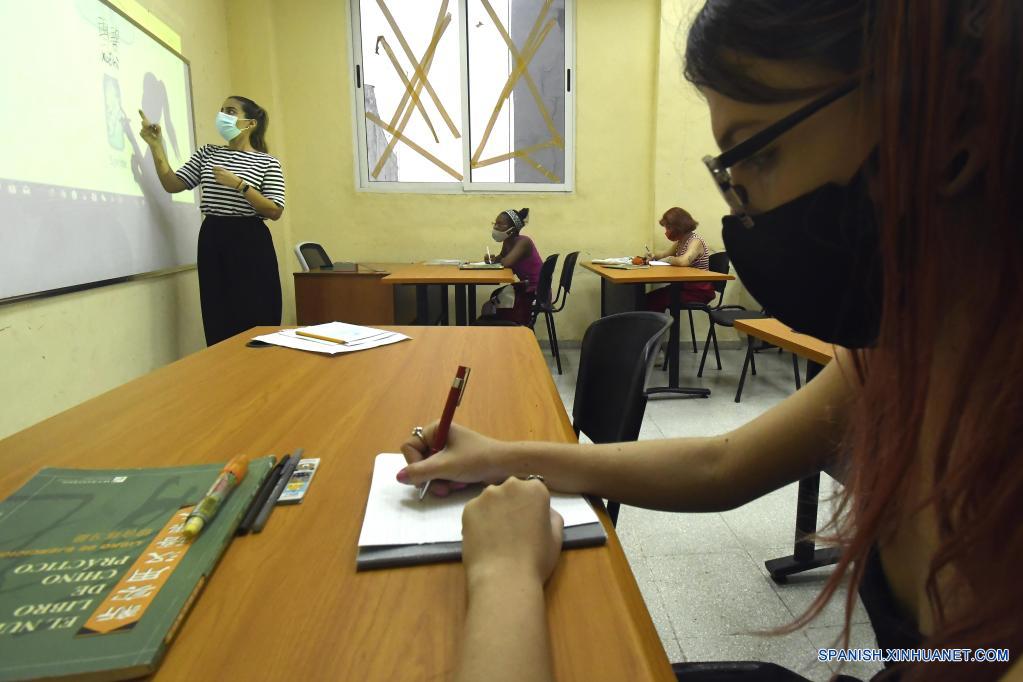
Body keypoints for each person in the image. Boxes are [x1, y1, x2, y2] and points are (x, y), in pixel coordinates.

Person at [398, 1, 1023, 681]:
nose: (738, 205)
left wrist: (503, 574)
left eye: (756, 150)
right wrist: (500, 455)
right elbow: (719, 464)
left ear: (951, 120)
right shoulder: (898, 359)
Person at [139, 96, 284, 346]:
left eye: (230, 111)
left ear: (250, 123)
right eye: (221, 111)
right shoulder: (208, 153)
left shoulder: (267, 162)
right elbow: (173, 184)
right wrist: (156, 146)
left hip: (250, 239)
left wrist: (240, 185)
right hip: (213, 236)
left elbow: (274, 210)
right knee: (217, 311)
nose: (223, 117)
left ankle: (262, 372)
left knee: (256, 309)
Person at [479, 208, 543, 325]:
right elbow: (501, 259)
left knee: (490, 307)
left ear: (512, 229)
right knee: (489, 305)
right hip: (526, 287)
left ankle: (510, 332)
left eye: (500, 224)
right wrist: (492, 259)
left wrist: (500, 260)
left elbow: (506, 263)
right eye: (495, 223)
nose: (496, 227)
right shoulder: (508, 242)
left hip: (536, 291)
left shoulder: (524, 242)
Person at [645, 206, 716, 312]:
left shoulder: (695, 241)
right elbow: (665, 254)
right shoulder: (680, 241)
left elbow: (684, 261)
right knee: (647, 299)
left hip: (698, 291)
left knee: (653, 301)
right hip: (682, 287)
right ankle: (656, 327)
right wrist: (653, 256)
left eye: (668, 228)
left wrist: (668, 260)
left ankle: (657, 327)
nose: (666, 231)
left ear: (679, 226)